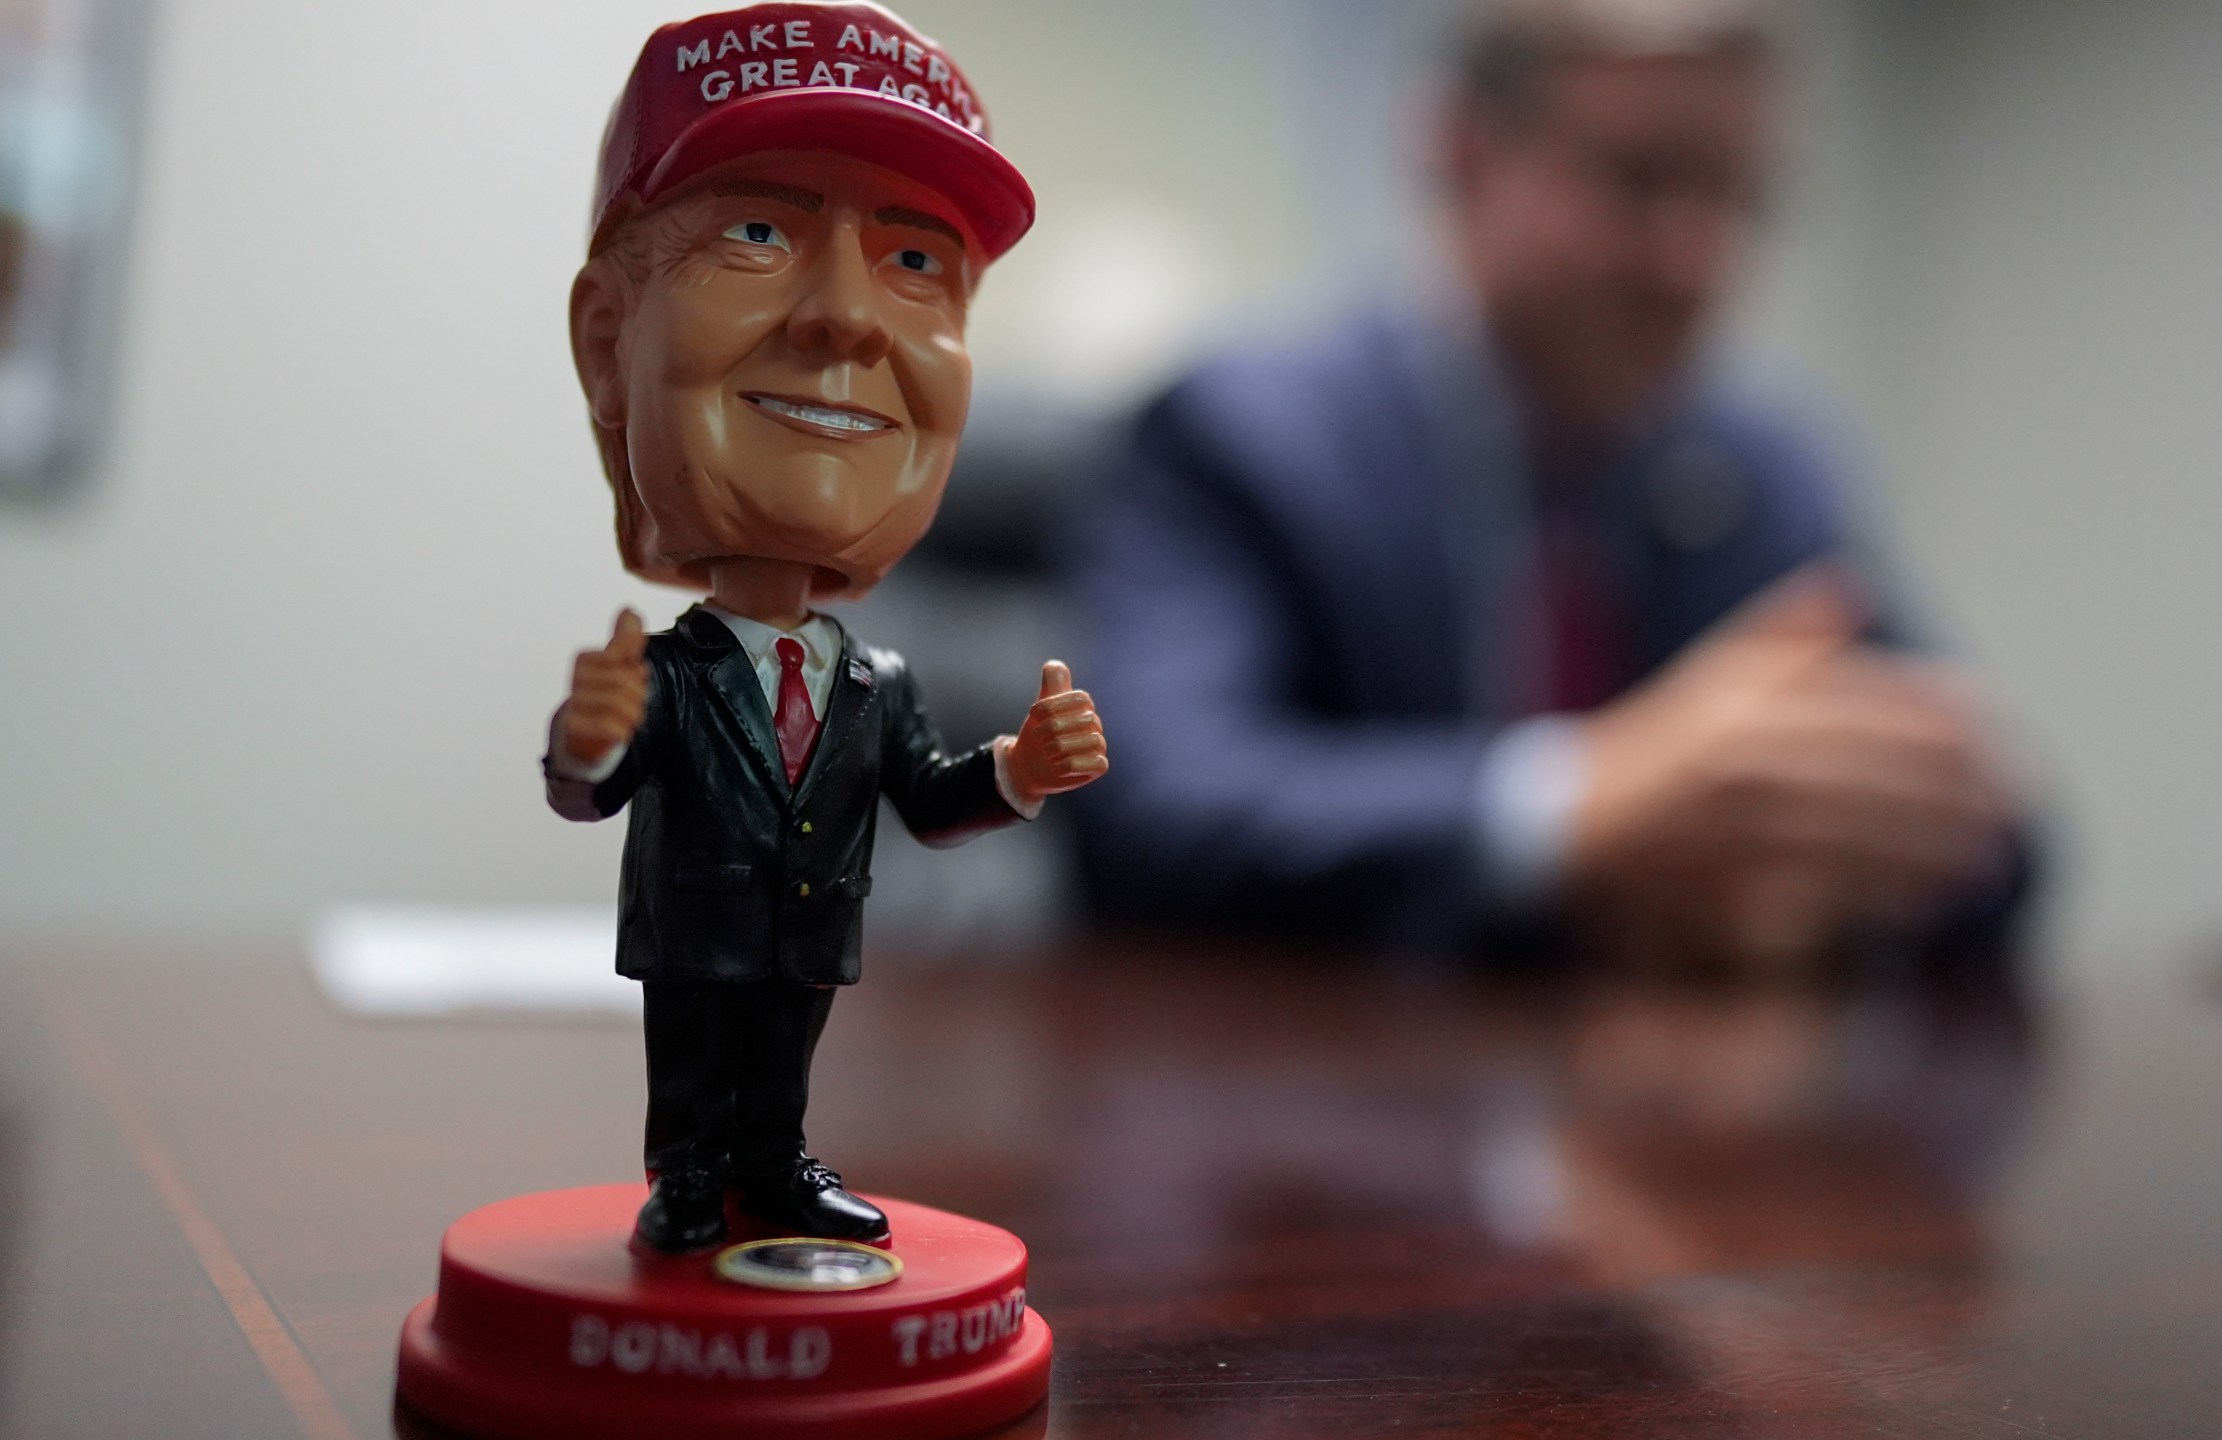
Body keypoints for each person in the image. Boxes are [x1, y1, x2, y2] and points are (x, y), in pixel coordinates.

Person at [1071, 0, 2023, 972]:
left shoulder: (1765, 469)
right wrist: (1576, 808)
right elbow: (1152, 809)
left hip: (1670, 1108)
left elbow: (2007, 845)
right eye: (1637, 180)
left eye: (1740, 198)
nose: (1696, 262)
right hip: (1323, 1100)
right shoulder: (1245, 431)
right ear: (1459, 151)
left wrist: (1810, 871)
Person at [543, 1, 1109, 1254]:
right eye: (758, 232)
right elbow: (596, 793)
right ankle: (687, 1173)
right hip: (695, 934)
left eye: (916, 263)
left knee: (784, 1065)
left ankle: (774, 1160)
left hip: (809, 931)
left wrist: (1016, 775)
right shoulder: (669, 673)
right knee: (696, 1060)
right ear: (606, 345)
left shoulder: (873, 678)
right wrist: (586, 746)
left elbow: (923, 796)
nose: (848, 317)